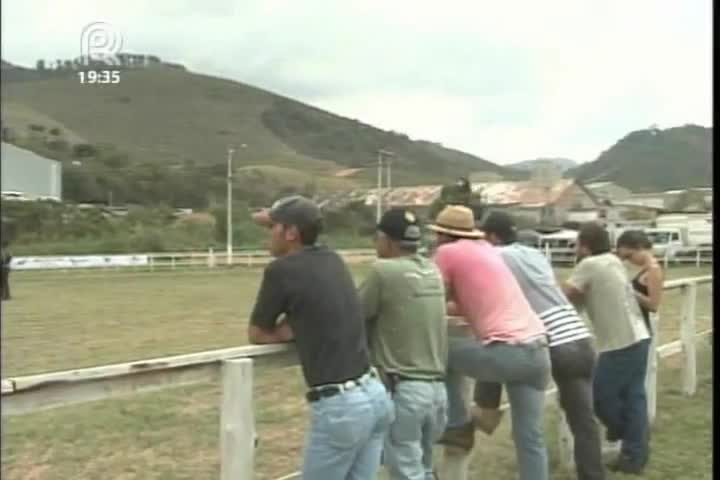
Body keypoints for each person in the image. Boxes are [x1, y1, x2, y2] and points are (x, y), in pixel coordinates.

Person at [248, 195, 394, 479]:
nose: (269, 235)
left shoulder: (281, 270)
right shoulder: (333, 259)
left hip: (341, 406)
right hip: (374, 393)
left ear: (291, 233)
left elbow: (257, 333)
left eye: (273, 227)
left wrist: (290, 328)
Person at [475, 212, 605, 480]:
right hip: (579, 336)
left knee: (496, 351)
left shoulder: (496, 257)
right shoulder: (534, 255)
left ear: (493, 237)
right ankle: (593, 475)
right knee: (584, 423)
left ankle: (485, 410)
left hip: (551, 340)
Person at [429, 205, 551, 480]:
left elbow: (430, 297)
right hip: (538, 350)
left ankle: (458, 424)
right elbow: (477, 299)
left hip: (508, 352)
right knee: (530, 439)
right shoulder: (487, 251)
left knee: (439, 350)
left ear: (442, 235)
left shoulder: (447, 253)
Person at [358, 208, 448, 480]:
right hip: (437, 390)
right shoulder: (431, 270)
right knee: (425, 467)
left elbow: (355, 312)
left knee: (407, 471)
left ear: (387, 239)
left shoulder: (384, 270)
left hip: (405, 387)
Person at [562, 222, 651, 475]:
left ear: (586, 246)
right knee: (634, 398)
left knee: (598, 396)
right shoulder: (612, 261)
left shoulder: (589, 265)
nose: (576, 249)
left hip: (619, 343)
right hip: (639, 336)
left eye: (578, 244)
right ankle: (635, 456)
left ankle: (624, 432)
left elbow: (566, 294)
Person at [616, 230, 664, 336]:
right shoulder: (647, 269)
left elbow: (654, 305)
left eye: (629, 256)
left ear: (639, 247)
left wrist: (630, 291)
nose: (629, 261)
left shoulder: (653, 269)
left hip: (642, 329)